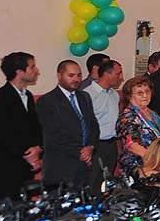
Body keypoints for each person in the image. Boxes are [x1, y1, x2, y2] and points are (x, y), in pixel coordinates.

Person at [0, 52, 42, 208]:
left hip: (24, 169)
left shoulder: (28, 96)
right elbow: (3, 134)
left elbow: (34, 127)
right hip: (3, 170)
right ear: (19, 71)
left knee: (25, 213)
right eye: (32, 67)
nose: (37, 71)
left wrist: (37, 149)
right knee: (1, 216)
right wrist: (27, 154)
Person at [36, 60, 100, 188]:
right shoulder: (47, 101)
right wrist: (80, 152)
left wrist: (90, 147)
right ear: (59, 76)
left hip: (83, 166)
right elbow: (54, 134)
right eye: (71, 75)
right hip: (60, 166)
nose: (76, 79)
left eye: (79, 75)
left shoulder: (84, 97)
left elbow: (93, 125)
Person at [84, 58, 122, 190]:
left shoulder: (114, 95)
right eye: (118, 74)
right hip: (95, 146)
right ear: (107, 74)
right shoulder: (87, 94)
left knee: (107, 183)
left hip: (111, 145)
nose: (121, 78)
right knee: (93, 182)